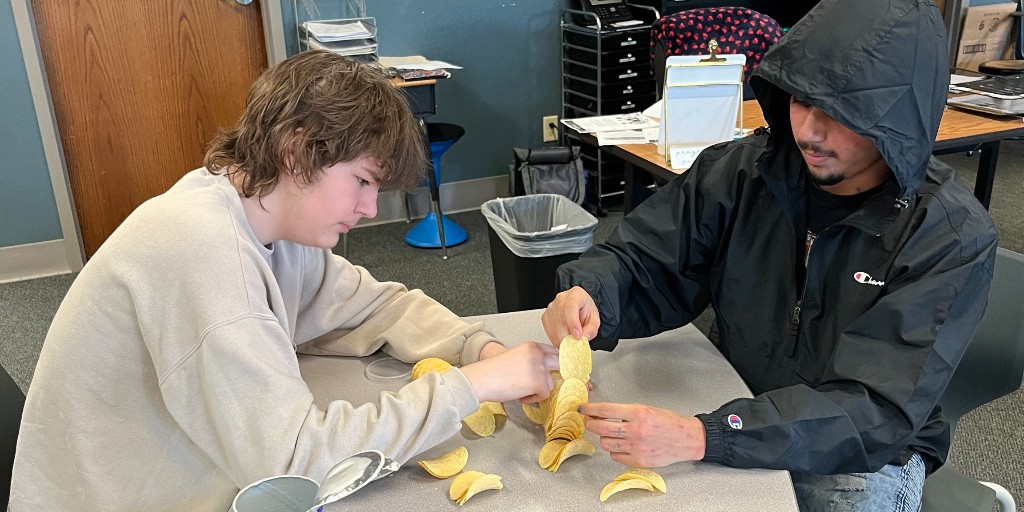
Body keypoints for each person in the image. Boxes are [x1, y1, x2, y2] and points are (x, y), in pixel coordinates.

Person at [10, 50, 557, 511]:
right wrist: (474, 388)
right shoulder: (202, 250)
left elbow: (373, 308)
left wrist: (476, 348)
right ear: (296, 151)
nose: (369, 208)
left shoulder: (264, 219)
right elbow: (294, 466)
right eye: (362, 181)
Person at [542, 0, 998, 509]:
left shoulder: (947, 237)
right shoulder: (740, 173)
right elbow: (646, 260)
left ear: (896, 124)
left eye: (840, 115)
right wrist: (593, 293)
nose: (808, 131)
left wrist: (706, 436)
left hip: (859, 451)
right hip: (735, 397)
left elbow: (874, 409)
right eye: (800, 101)